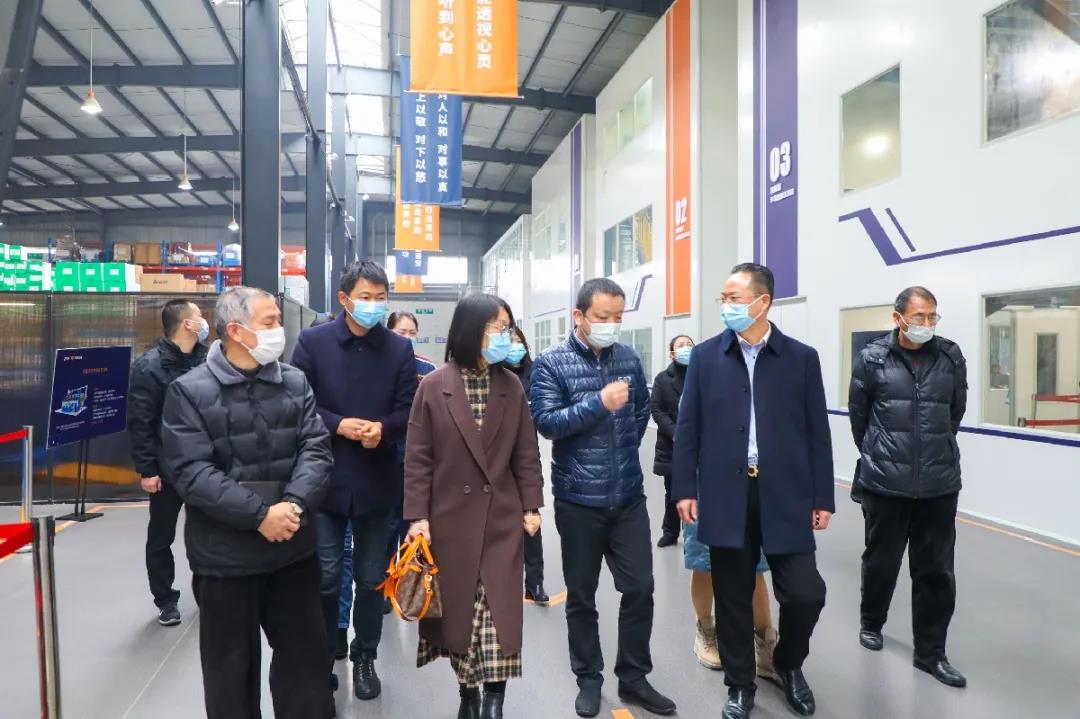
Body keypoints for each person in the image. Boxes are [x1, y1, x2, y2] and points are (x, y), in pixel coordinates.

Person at [160, 286, 333, 719]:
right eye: (270, 322)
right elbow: (192, 472)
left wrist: (293, 505)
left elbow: (316, 449)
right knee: (230, 680)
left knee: (307, 672)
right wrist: (259, 516)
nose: (279, 330)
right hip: (226, 561)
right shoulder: (189, 392)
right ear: (236, 331)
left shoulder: (294, 381)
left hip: (293, 552)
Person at [673, 263, 834, 719]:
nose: (726, 306)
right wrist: (684, 488)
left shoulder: (801, 359)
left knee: (805, 593)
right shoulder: (706, 357)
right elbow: (688, 428)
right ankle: (740, 684)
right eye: (723, 298)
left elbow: (817, 432)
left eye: (734, 298)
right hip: (726, 493)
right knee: (732, 597)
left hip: (786, 494)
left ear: (763, 302)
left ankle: (788, 663)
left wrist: (823, 497)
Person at [530, 278, 676, 718]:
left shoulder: (628, 358)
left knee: (640, 588)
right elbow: (547, 422)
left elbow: (640, 411)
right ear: (579, 316)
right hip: (578, 500)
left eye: (617, 317)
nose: (611, 324)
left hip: (628, 498)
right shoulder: (551, 363)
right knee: (582, 595)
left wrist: (621, 449)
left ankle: (633, 678)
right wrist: (598, 403)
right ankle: (589, 679)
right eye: (602, 317)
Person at [404, 293, 545, 719]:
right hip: (450, 523)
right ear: (471, 330)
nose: (506, 335)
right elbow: (418, 458)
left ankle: (495, 699)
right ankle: (468, 692)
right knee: (460, 616)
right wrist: (418, 517)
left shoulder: (511, 387)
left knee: (498, 613)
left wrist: (532, 506)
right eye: (499, 327)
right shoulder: (433, 386)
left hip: (501, 519)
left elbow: (526, 452)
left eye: (508, 327)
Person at [291, 260, 418, 702]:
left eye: (381, 298)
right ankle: (327, 654)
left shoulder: (398, 350)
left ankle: (365, 655)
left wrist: (384, 429)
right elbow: (297, 401)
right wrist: (338, 424)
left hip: (376, 479)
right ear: (344, 299)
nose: (374, 305)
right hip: (323, 479)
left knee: (369, 578)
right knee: (326, 576)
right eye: (366, 297)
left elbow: (409, 409)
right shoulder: (313, 343)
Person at [848, 286, 968, 688]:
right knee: (881, 561)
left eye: (933, 316)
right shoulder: (872, 359)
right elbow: (859, 419)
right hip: (885, 483)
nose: (927, 324)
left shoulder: (950, 357)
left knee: (936, 571)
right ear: (898, 318)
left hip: (939, 484)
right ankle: (871, 622)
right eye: (919, 317)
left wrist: (934, 450)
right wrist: (883, 455)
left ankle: (931, 654)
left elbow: (954, 414)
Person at [652, 334, 779, 676]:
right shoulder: (702, 381)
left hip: (751, 486)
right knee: (705, 563)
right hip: (707, 485)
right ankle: (706, 631)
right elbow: (686, 438)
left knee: (754, 568)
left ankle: (764, 640)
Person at [127, 299, 209, 626]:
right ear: (187, 324)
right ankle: (165, 599)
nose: (204, 321)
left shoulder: (207, 360)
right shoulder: (150, 367)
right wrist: (147, 469)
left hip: (203, 466)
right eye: (199, 316)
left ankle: (208, 593)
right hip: (167, 469)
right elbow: (141, 422)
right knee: (161, 537)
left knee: (207, 534)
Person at [497, 305, 549, 606]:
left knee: (531, 519)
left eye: (519, 341)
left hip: (526, 455)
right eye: (510, 340)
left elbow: (542, 410)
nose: (515, 346)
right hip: (496, 459)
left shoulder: (535, 373)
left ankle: (535, 581)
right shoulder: (494, 375)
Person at [651, 335, 694, 548]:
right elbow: (657, 409)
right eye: (681, 345)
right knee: (673, 492)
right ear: (672, 353)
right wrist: (676, 432)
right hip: (672, 445)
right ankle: (670, 532)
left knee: (699, 492)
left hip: (699, 445)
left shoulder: (703, 375)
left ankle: (695, 535)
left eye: (689, 344)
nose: (686, 348)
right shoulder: (662, 379)